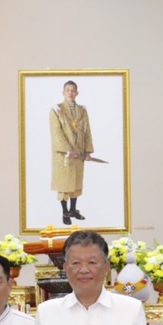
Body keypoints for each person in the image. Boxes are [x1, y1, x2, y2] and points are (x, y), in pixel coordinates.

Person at [50, 79, 94, 225]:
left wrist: (87, 151)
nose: (70, 92)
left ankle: (73, 209)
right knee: (64, 184)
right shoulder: (56, 110)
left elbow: (87, 131)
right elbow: (56, 133)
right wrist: (68, 150)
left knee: (76, 183)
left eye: (73, 90)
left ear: (77, 93)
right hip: (64, 155)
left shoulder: (82, 110)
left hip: (79, 153)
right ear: (63, 92)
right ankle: (65, 212)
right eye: (68, 90)